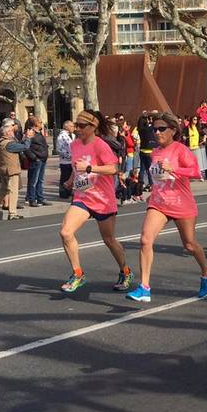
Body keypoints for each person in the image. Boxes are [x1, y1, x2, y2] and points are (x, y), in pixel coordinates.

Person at [126, 113, 207, 303]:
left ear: (173, 131)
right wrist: (153, 191)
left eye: (161, 129)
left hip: (182, 203)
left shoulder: (181, 150)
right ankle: (144, 287)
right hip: (159, 203)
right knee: (145, 239)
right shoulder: (155, 152)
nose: (157, 132)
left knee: (190, 245)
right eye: (155, 129)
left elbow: (195, 172)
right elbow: (159, 178)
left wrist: (173, 169)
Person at [59, 111, 133, 294]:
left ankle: (125, 271)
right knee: (66, 232)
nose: (78, 129)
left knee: (109, 240)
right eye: (76, 125)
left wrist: (91, 168)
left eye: (82, 126)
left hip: (103, 199)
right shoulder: (75, 144)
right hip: (83, 197)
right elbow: (77, 167)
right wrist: (70, 181)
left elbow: (114, 168)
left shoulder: (100, 145)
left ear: (93, 127)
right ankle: (78, 274)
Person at [0, 119, 27, 218]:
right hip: (11, 170)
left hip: (3, 168)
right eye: (11, 130)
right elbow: (25, 147)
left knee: (3, 188)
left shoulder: (1, 141)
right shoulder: (9, 143)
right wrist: (28, 138)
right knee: (13, 191)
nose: (13, 131)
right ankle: (12, 213)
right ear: (8, 133)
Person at [24, 116, 49, 207]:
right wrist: (34, 157)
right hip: (36, 160)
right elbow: (26, 148)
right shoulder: (31, 133)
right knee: (33, 181)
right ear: (36, 124)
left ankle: (40, 198)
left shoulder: (39, 133)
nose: (41, 123)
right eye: (40, 122)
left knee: (40, 180)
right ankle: (32, 199)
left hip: (42, 159)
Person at [56, 120, 76, 199]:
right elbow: (60, 149)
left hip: (73, 161)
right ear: (66, 127)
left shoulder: (73, 135)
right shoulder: (61, 136)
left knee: (71, 177)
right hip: (65, 161)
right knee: (65, 177)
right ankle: (63, 192)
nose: (73, 128)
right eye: (71, 126)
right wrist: (69, 156)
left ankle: (69, 191)